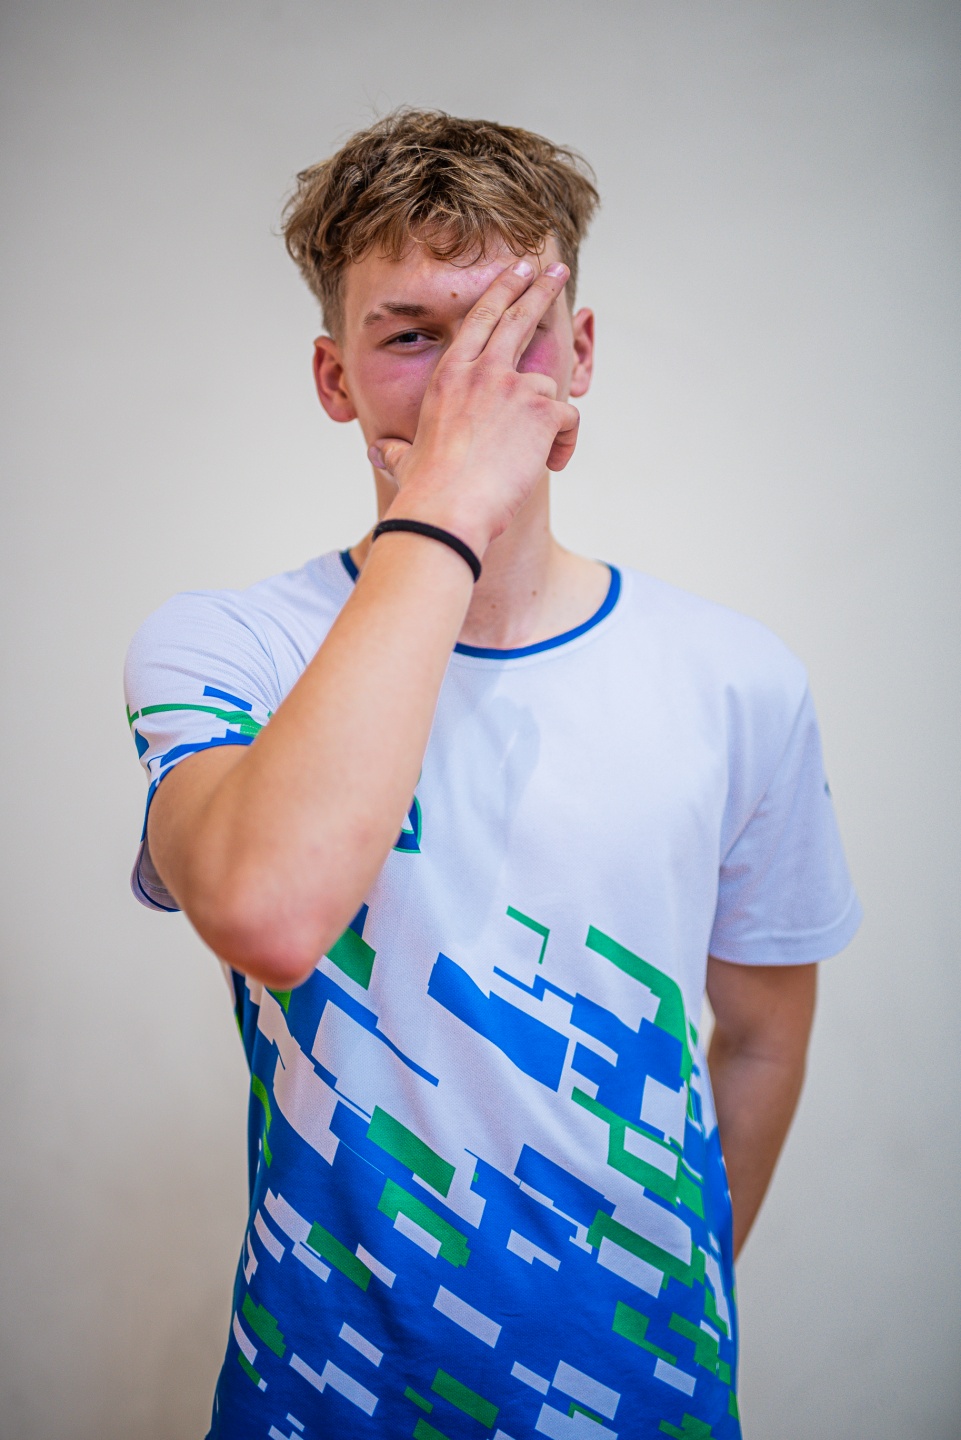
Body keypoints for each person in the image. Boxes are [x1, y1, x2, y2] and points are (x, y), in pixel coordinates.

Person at [124, 109, 861, 1439]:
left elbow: (760, 1041)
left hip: (643, 1402)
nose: (467, 384)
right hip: (317, 1406)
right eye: (414, 336)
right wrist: (445, 510)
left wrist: (647, 1317)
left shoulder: (738, 678)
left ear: (578, 356)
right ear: (335, 377)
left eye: (511, 330)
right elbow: (267, 911)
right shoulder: (225, 646)